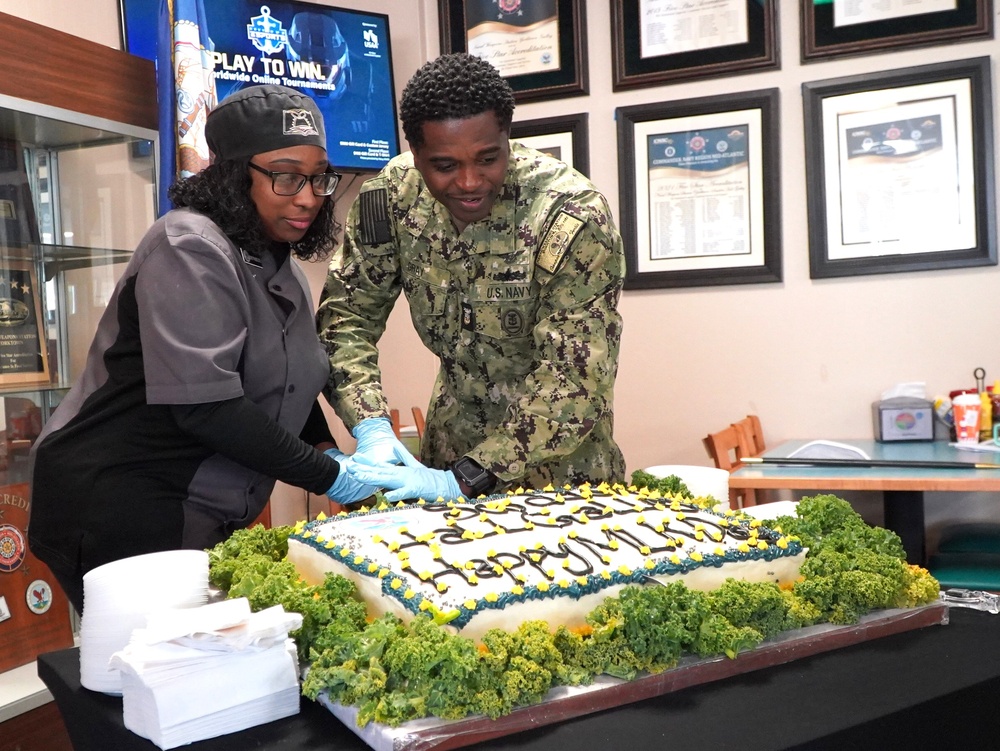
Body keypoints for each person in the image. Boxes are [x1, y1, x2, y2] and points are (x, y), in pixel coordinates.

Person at [28, 85, 374, 613]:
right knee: (161, 680)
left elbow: (289, 387)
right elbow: (206, 406)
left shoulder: (280, 262)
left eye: (319, 177)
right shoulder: (188, 244)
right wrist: (333, 477)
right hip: (123, 502)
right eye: (286, 176)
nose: (307, 196)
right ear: (235, 173)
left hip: (205, 505)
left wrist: (334, 453)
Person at [317, 53, 626, 503]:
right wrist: (371, 426)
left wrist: (464, 480)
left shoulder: (570, 214)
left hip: (562, 484)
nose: (469, 181)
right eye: (444, 165)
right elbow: (345, 319)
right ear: (415, 154)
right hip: (444, 458)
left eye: (487, 159)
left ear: (507, 138)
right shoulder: (392, 197)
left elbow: (575, 379)